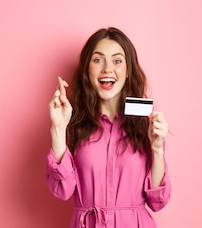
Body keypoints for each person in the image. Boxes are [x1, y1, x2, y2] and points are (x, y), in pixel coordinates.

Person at [46, 27, 171, 228]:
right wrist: (59, 129)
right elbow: (63, 190)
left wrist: (157, 149)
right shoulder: (73, 121)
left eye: (117, 61)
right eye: (98, 60)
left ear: (128, 70)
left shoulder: (145, 125)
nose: (107, 69)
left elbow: (158, 201)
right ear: (87, 69)